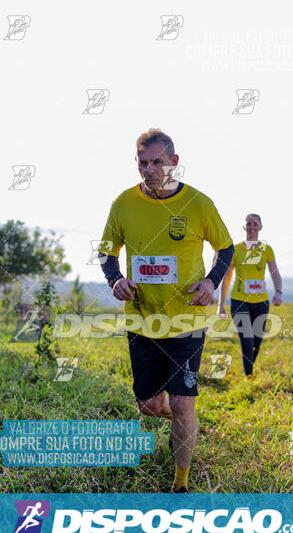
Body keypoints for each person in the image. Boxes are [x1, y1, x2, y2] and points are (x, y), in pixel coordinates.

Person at [98, 128, 234, 492]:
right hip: (142, 321)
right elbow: (107, 252)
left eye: (157, 161)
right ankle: (184, 420)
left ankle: (181, 483)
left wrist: (210, 282)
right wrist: (115, 280)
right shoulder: (123, 204)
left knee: (182, 401)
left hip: (187, 320)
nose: (149, 169)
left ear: (174, 162)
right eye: (143, 162)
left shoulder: (199, 204)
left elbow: (226, 248)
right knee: (149, 404)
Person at [217, 213, 282, 378]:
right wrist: (220, 305)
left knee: (257, 341)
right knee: (247, 339)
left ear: (260, 227)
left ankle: (249, 369)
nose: (252, 227)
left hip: (261, 302)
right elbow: (227, 276)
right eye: (249, 224)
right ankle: (249, 376)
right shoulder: (236, 249)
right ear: (244, 227)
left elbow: (275, 273)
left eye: (255, 224)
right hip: (239, 301)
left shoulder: (266, 249)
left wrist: (279, 292)